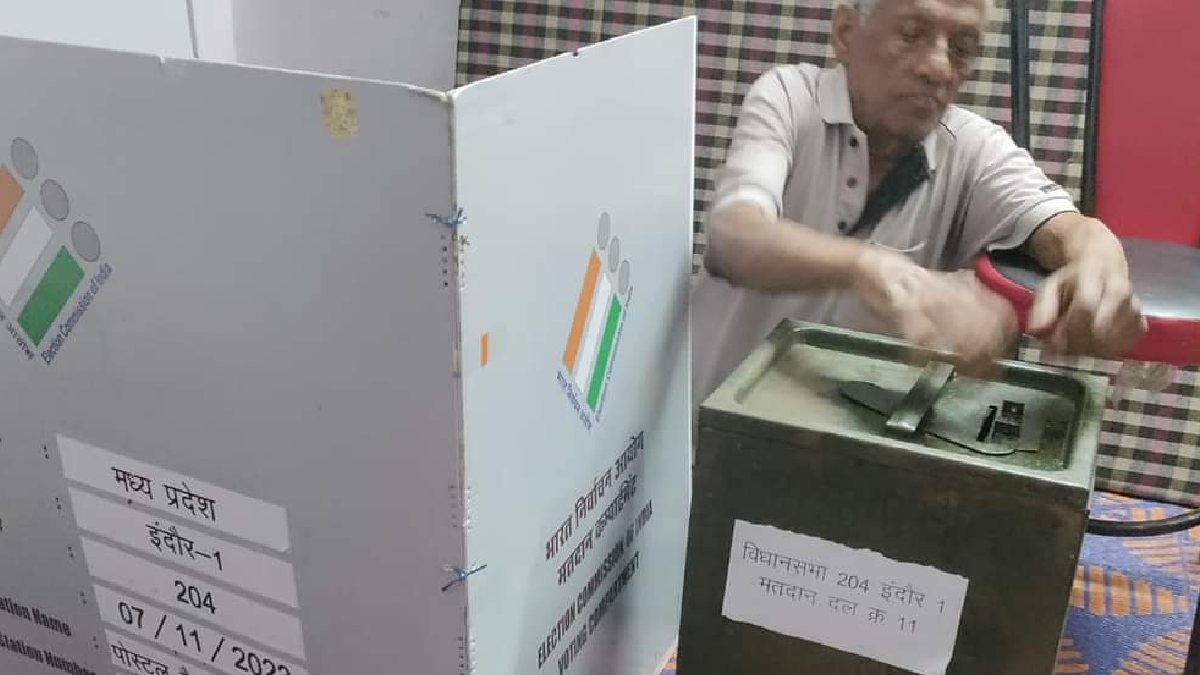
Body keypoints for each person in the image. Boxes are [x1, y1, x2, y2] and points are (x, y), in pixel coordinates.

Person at [691, 0, 1147, 405]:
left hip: (832, 450)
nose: (938, 68)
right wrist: (873, 268)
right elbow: (734, 237)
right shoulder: (791, 98)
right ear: (846, 33)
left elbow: (1067, 228)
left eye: (962, 48)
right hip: (700, 430)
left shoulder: (970, 148)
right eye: (911, 34)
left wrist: (1099, 258)